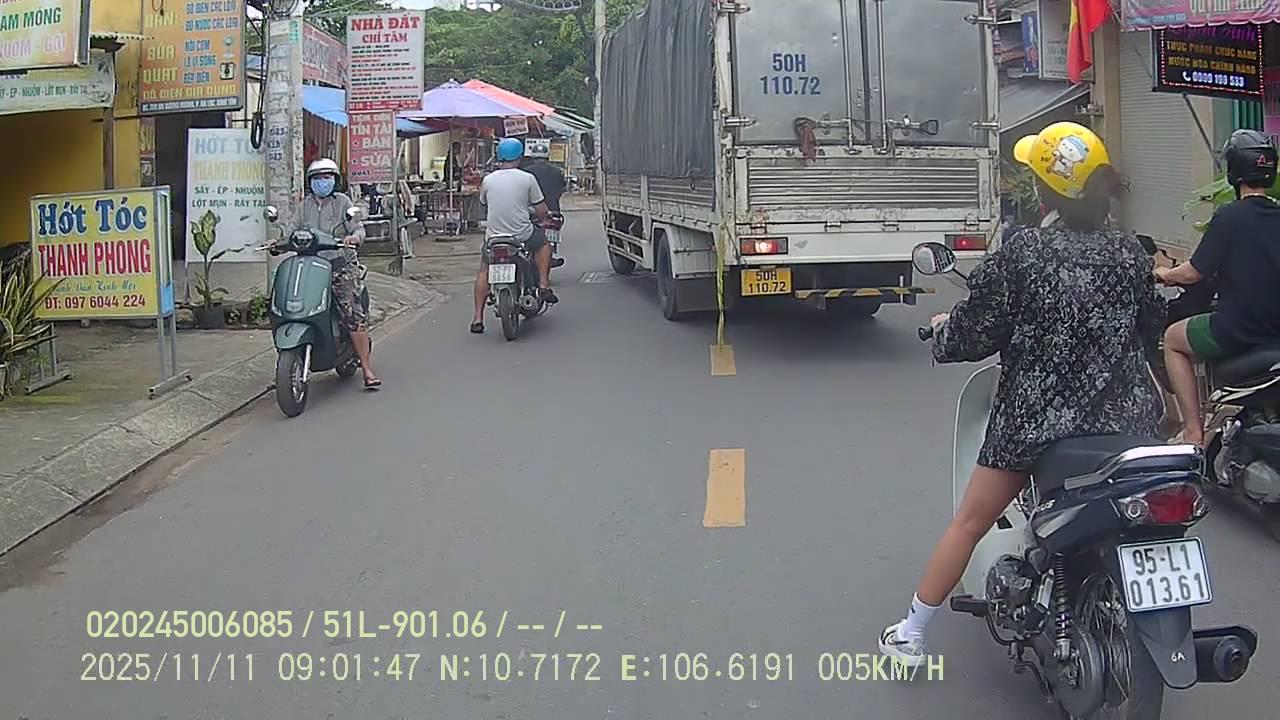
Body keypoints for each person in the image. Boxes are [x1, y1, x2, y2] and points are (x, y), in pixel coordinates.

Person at [878, 122, 1164, 668]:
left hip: (1036, 426)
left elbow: (974, 332)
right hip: (1127, 427)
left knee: (970, 522)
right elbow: (1151, 326)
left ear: (1043, 190)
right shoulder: (1131, 253)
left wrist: (943, 333)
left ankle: (910, 635)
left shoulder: (1024, 252)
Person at [1156, 129, 1280, 447]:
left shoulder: (1229, 216)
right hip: (1275, 331)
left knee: (1172, 339)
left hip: (1236, 331)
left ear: (1234, 170)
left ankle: (1193, 432)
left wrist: (1164, 273)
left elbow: (1194, 272)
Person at [301, 158, 381, 389]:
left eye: (326, 177)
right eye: (317, 178)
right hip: (311, 267)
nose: (322, 182)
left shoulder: (343, 202)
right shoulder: (304, 206)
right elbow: (291, 229)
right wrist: (278, 241)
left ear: (335, 180)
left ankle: (367, 369)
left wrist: (354, 237)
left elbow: (358, 227)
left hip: (340, 265)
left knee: (353, 315)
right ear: (310, 181)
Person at [470, 138, 556, 334]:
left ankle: (477, 318)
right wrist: (542, 217)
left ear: (499, 157)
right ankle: (544, 285)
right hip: (521, 234)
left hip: (494, 237)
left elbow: (484, 203)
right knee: (544, 244)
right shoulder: (527, 178)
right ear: (520, 157)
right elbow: (541, 210)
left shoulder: (488, 180)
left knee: (484, 270)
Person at [520, 139, 567, 268]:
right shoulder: (557, 171)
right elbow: (562, 189)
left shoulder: (525, 172)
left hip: (531, 211)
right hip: (552, 211)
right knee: (551, 236)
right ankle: (550, 255)